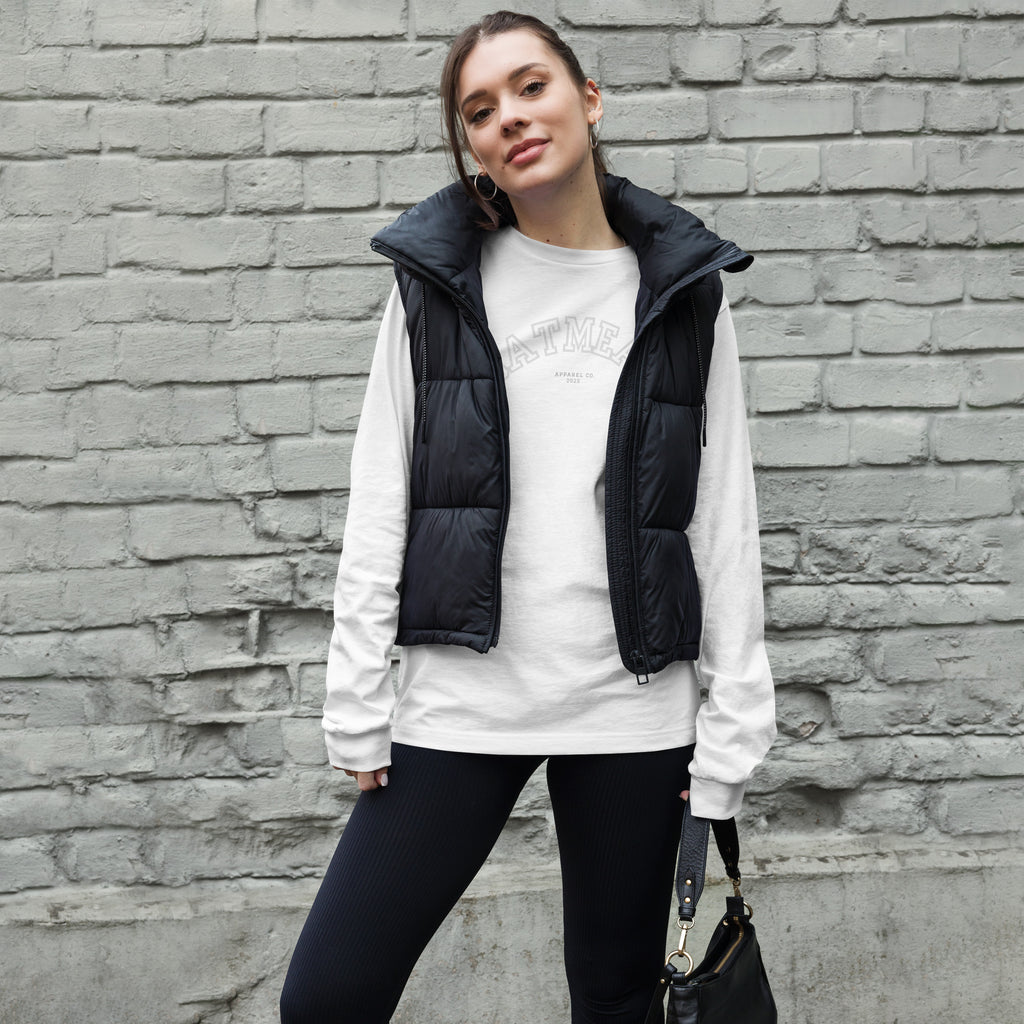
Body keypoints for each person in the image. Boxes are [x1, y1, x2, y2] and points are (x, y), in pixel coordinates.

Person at [279, 10, 776, 1024]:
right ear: (470, 148)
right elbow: (383, 493)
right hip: (462, 697)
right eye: (479, 109)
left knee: (615, 999)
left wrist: (731, 734)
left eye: (530, 85)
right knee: (327, 997)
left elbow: (722, 520)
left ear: (587, 99)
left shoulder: (683, 291)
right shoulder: (433, 285)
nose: (510, 116)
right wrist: (355, 699)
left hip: (633, 704)